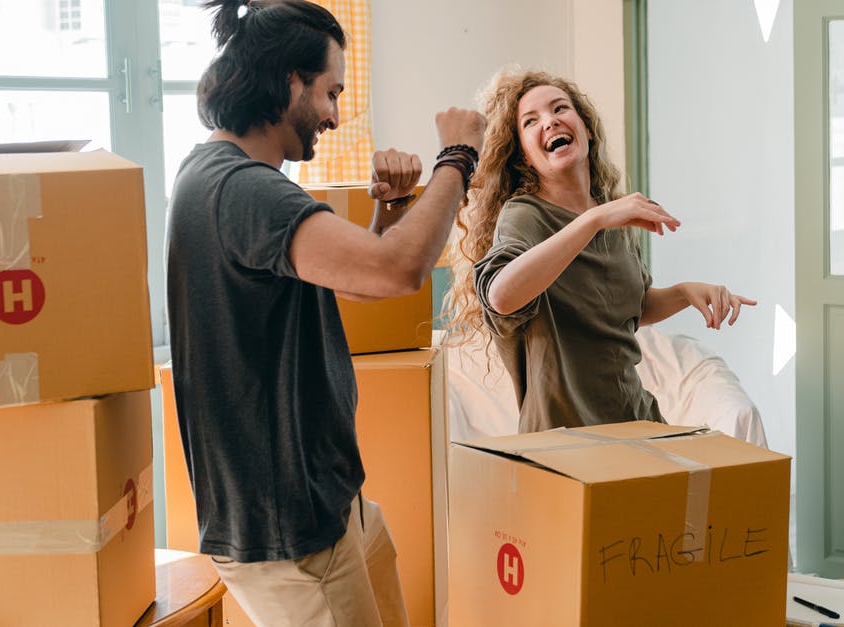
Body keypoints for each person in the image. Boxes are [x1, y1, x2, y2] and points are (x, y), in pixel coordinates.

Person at [165, 1, 484, 625]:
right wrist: (457, 160)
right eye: (331, 92)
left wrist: (388, 215)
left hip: (329, 503)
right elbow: (399, 271)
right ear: (290, 82)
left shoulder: (218, 177)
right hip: (293, 533)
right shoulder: (248, 190)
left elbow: (365, 284)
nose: (336, 115)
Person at [445, 69, 754, 434]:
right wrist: (594, 220)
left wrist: (685, 292)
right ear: (524, 155)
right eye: (531, 121)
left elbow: (629, 307)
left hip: (632, 417)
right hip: (564, 438)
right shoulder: (525, 215)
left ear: (586, 128)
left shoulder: (611, 215)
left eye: (560, 108)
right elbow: (501, 295)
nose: (551, 121)